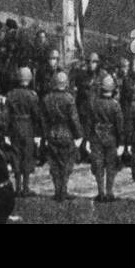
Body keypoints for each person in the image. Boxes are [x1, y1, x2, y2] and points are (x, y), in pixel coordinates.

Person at [41, 70, 82, 202]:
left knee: (54, 164)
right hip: (66, 133)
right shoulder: (69, 98)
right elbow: (74, 119)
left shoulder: (47, 98)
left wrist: (45, 134)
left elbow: (43, 119)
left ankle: (57, 190)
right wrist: (78, 135)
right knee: (66, 163)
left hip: (52, 133)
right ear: (66, 83)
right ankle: (63, 190)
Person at [3, 67, 42, 199]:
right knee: (27, 156)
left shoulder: (10, 95)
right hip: (28, 127)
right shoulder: (32, 96)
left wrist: (6, 131)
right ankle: (25, 187)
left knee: (16, 155)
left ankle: (17, 187)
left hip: (14, 127)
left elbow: (5, 116)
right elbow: (36, 115)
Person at [88, 74, 123, 203]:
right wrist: (121, 143)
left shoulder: (94, 103)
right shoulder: (115, 105)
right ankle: (110, 192)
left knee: (98, 165)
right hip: (111, 137)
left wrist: (88, 139)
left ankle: (100, 192)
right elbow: (120, 126)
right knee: (111, 166)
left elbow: (90, 122)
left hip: (97, 137)